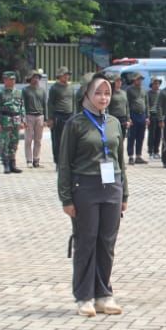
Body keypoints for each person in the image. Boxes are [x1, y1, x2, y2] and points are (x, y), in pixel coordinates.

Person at [58, 75, 128, 317]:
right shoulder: (75, 124)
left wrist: (125, 193)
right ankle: (84, 296)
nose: (103, 98)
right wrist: (66, 198)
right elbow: (64, 163)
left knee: (106, 243)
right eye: (98, 93)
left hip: (112, 188)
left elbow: (120, 160)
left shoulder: (114, 123)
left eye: (107, 93)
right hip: (85, 187)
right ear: (87, 94)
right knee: (86, 242)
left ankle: (104, 294)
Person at [0, 71, 25, 173]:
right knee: (4, 143)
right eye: (10, 79)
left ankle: (12, 164)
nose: (12, 81)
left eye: (13, 79)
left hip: (16, 121)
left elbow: (22, 107)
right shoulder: (0, 93)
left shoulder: (19, 92)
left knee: (14, 142)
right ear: (5, 80)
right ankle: (5, 164)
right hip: (5, 121)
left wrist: (23, 120)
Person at [47, 66, 76, 169]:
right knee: (57, 140)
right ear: (59, 76)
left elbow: (73, 102)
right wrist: (50, 119)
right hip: (58, 115)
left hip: (69, 115)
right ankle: (58, 162)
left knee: (70, 140)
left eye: (68, 75)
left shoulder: (71, 88)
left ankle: (68, 161)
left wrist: (74, 115)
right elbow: (50, 103)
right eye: (64, 75)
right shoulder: (54, 88)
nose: (66, 77)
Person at [22, 70, 48, 168]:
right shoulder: (25, 90)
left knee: (38, 140)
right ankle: (29, 160)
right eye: (34, 77)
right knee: (28, 139)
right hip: (29, 116)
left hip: (40, 116)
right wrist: (23, 118)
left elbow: (45, 104)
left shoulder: (42, 91)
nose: (36, 79)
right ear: (30, 78)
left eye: (37, 77)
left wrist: (46, 118)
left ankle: (36, 160)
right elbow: (22, 105)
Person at [146, 76, 163, 160]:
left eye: (158, 83)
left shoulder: (161, 93)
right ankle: (150, 151)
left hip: (159, 116)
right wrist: (148, 116)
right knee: (151, 134)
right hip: (152, 115)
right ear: (151, 85)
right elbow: (147, 105)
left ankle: (156, 151)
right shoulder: (148, 93)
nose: (157, 85)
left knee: (158, 134)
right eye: (155, 83)